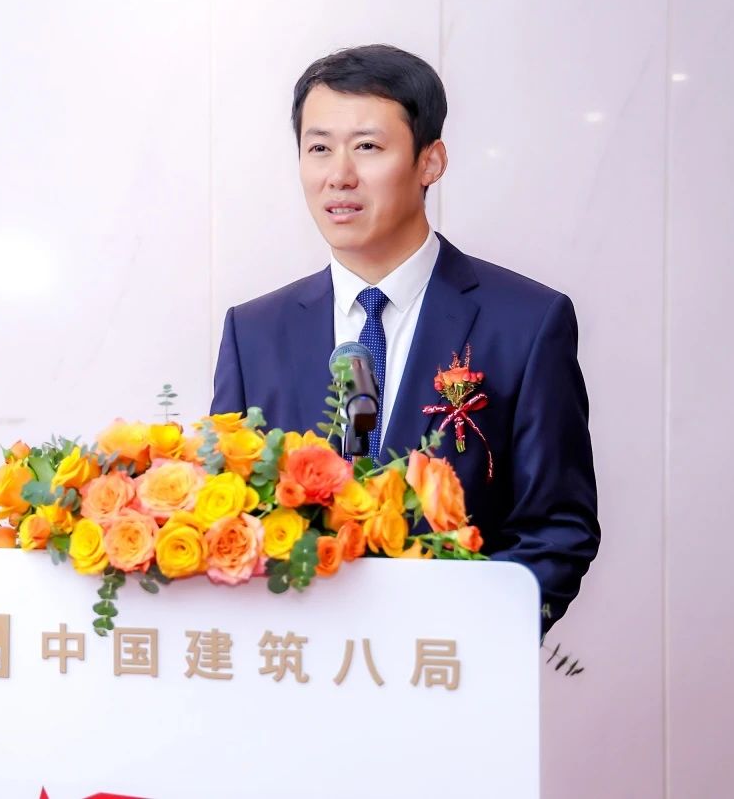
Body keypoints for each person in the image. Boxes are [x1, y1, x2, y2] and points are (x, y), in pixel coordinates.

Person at [210, 44, 599, 633]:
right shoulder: (254, 331)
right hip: (291, 666)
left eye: (367, 147)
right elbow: (229, 515)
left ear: (430, 162)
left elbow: (557, 529)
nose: (339, 175)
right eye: (319, 148)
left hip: (442, 666)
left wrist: (467, 646)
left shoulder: (525, 322)